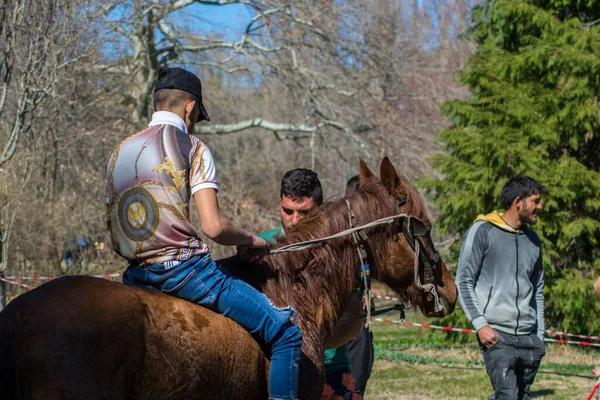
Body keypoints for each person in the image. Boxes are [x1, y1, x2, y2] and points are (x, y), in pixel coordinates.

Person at [105, 67, 302, 400]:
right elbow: (213, 227)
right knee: (286, 334)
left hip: (136, 275)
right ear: (190, 107)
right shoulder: (192, 148)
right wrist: (251, 239)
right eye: (197, 115)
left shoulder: (119, 151)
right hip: (183, 272)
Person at [259, 169, 362, 400]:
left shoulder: (339, 253)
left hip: (331, 368)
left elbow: (353, 316)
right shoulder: (262, 248)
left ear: (321, 207)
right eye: (287, 211)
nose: (294, 220)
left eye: (304, 212)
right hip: (272, 365)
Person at [456, 175, 546, 400]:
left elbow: (538, 290)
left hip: (529, 339)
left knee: (521, 397)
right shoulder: (482, 231)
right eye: (535, 201)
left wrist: (540, 336)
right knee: (507, 396)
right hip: (497, 335)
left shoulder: (533, 240)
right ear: (518, 202)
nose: (540, 206)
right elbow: (463, 281)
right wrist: (480, 325)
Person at [345, 175, 375, 396]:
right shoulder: (335, 232)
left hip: (359, 320)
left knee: (358, 381)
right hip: (337, 321)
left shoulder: (369, 235)